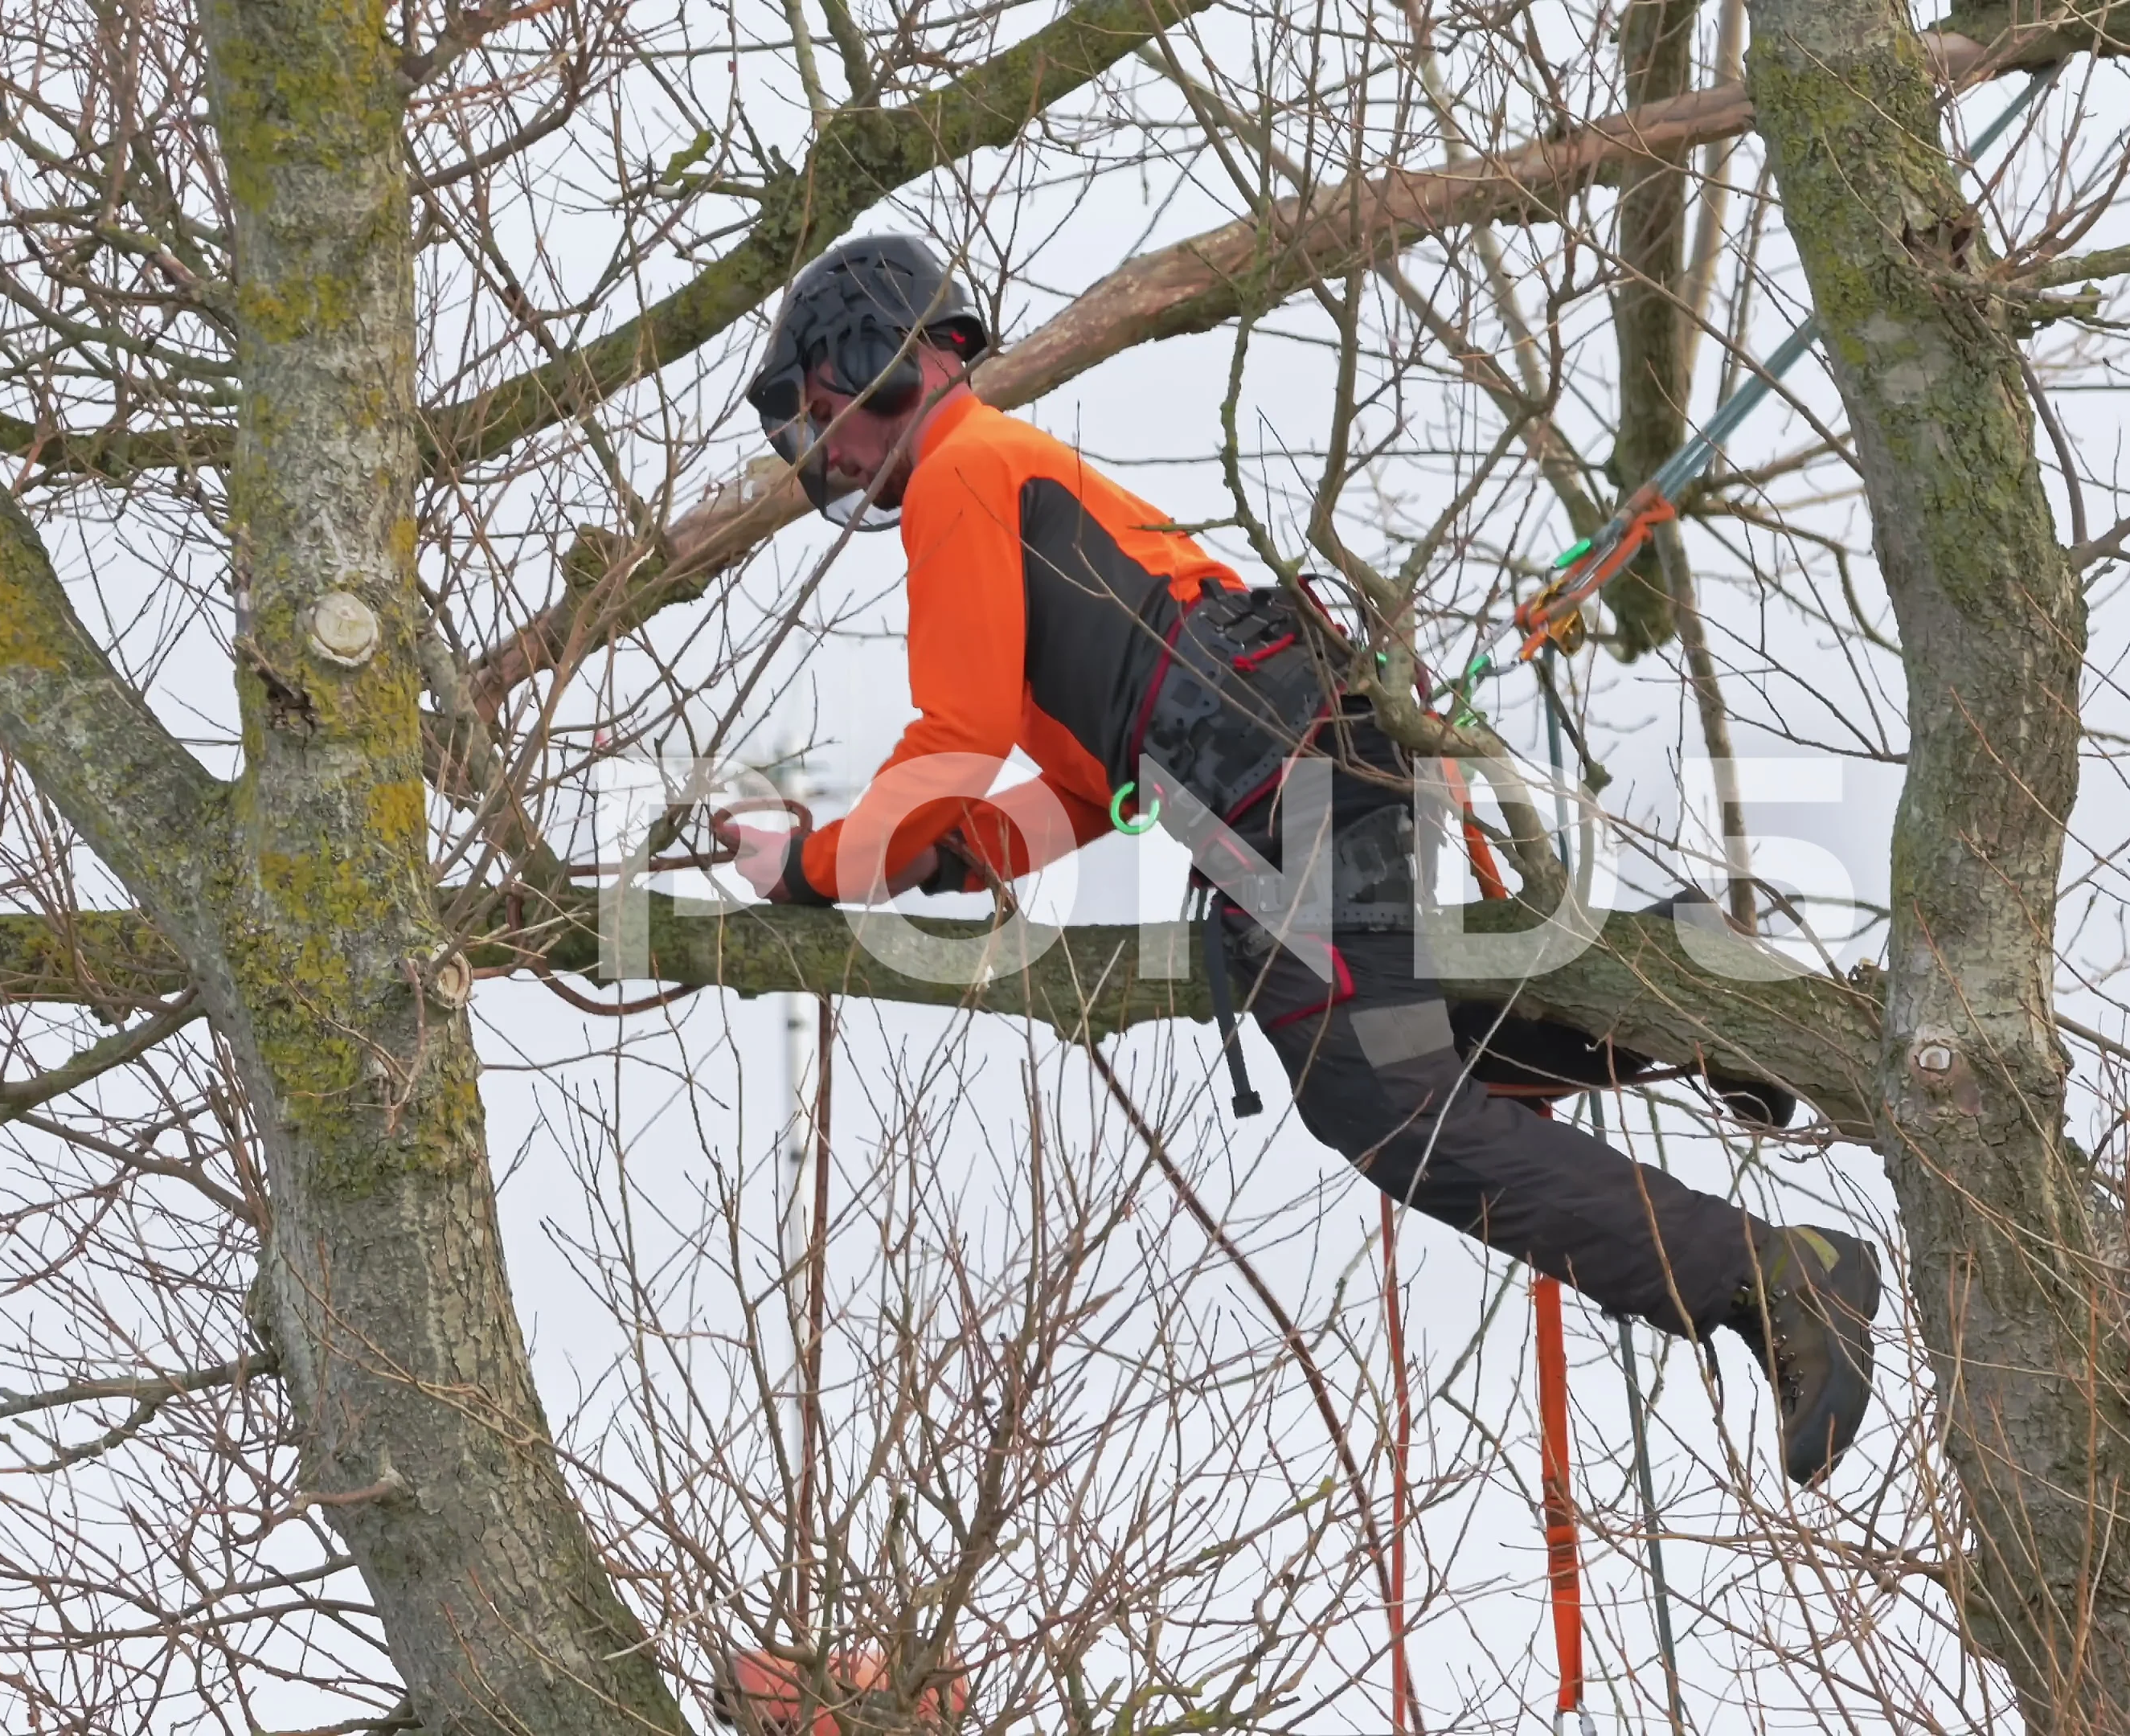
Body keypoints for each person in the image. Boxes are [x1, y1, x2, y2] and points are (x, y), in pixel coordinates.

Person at [717, 235, 1882, 1486]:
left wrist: (810, 870)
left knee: (1385, 1108)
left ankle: (1772, 1278)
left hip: (1287, 787)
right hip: (1309, 763)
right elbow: (1083, 789)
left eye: (828, 417)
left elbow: (950, 746)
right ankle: (1688, 987)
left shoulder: (962, 475)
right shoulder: (1023, 481)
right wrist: (953, 859)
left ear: (884, 359)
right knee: (1421, 1046)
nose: (827, 456)